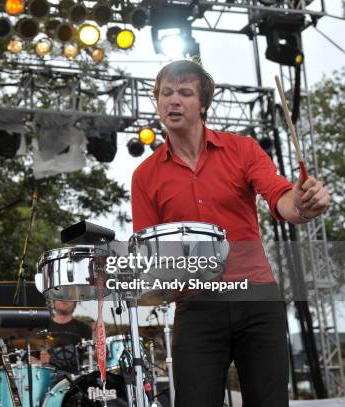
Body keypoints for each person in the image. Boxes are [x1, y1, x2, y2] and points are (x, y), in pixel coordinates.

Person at [130, 60, 330, 407]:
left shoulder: (243, 150)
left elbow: (281, 199)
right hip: (196, 305)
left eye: (185, 93)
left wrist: (302, 202)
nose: (173, 100)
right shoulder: (145, 176)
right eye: (166, 93)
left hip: (256, 298)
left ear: (203, 104)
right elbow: (150, 251)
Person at [37, 300, 92, 375]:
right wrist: (40, 363)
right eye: (60, 297)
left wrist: (97, 336)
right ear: (53, 303)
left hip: (75, 380)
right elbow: (30, 358)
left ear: (75, 304)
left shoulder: (84, 328)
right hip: (49, 380)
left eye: (68, 297)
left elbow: (94, 356)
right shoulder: (41, 328)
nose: (64, 300)